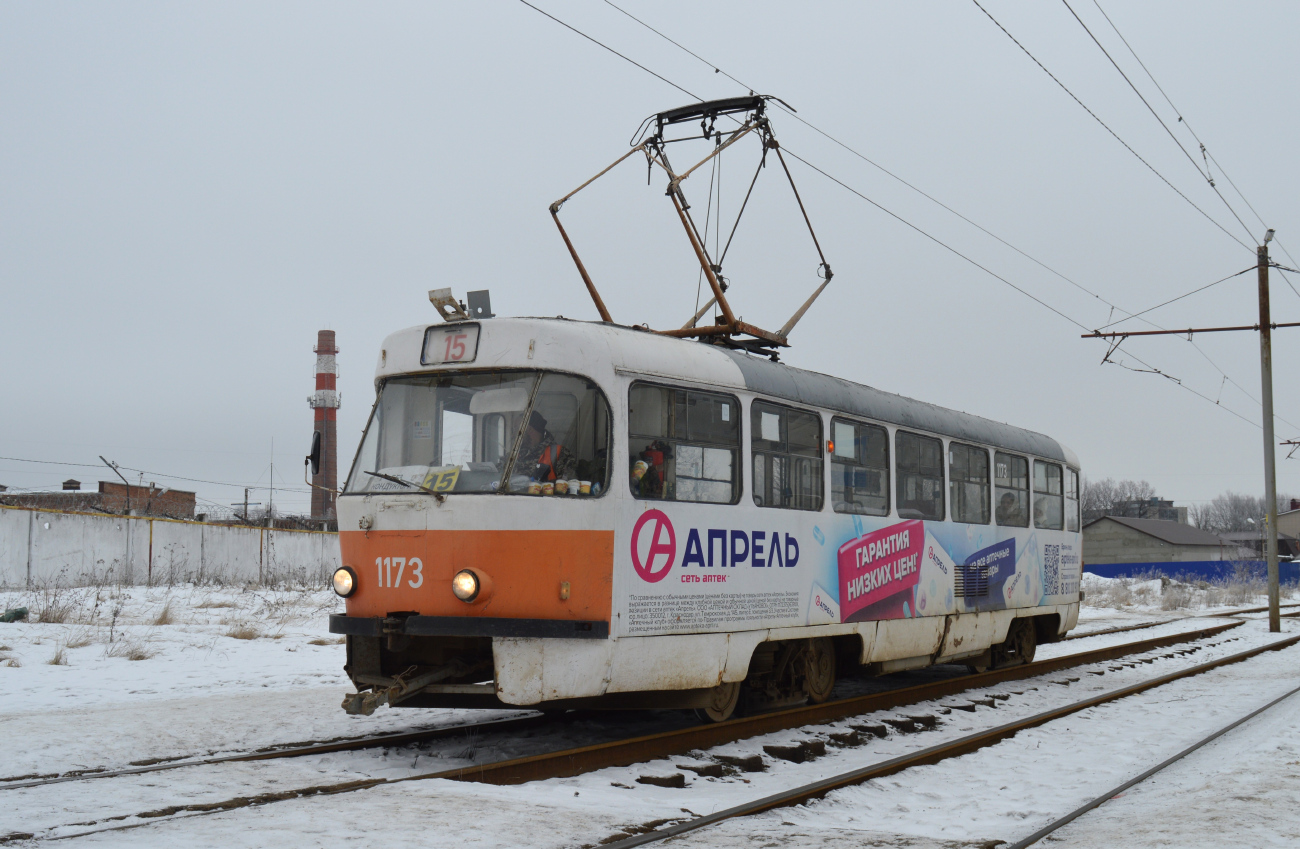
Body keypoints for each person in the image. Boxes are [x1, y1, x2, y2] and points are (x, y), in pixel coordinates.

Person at [516, 411, 574, 481]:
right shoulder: (515, 453)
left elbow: (570, 486)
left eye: (516, 429)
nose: (513, 434)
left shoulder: (559, 454)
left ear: (530, 430)